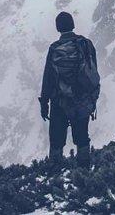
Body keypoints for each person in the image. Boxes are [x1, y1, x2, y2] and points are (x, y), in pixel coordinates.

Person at [39, 11, 101, 165]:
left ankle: (55, 174)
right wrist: (92, 96)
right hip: (83, 98)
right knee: (81, 136)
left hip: (60, 101)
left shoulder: (54, 48)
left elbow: (48, 78)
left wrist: (44, 102)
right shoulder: (86, 44)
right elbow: (93, 70)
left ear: (58, 28)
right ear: (73, 24)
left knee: (57, 139)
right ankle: (84, 172)